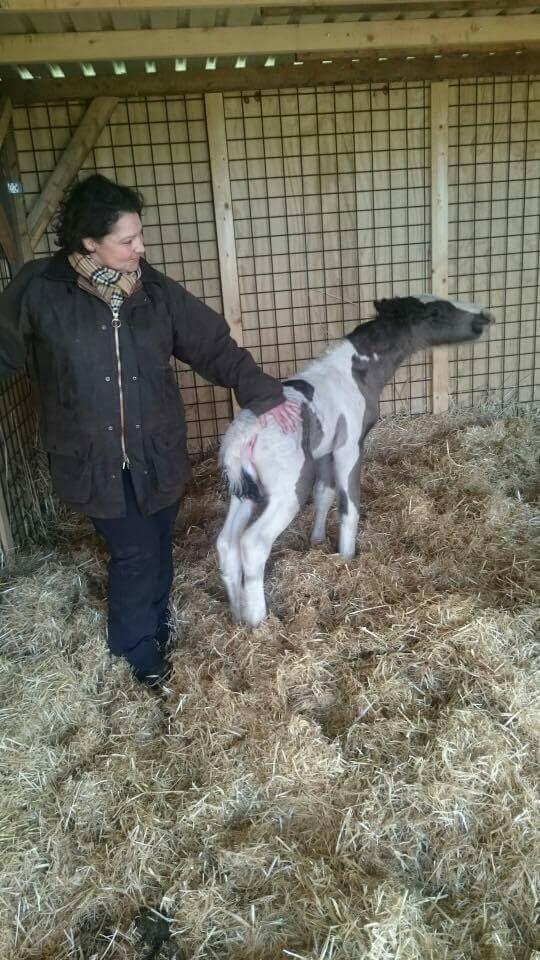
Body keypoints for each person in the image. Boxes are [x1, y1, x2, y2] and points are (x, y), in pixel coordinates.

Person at [0, 174, 300, 686]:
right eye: (127, 240)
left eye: (140, 235)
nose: (140, 247)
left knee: (158, 542)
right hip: (92, 457)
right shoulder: (39, 289)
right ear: (89, 242)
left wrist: (265, 395)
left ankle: (157, 629)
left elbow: (212, 347)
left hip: (156, 450)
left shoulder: (154, 291)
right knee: (135, 553)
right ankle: (137, 657)